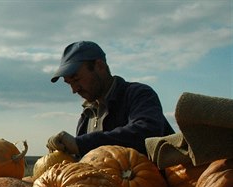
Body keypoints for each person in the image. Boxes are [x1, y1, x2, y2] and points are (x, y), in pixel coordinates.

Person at [46, 41, 175, 157]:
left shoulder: (138, 94)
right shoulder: (86, 116)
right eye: (69, 83)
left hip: (147, 181)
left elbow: (147, 134)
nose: (74, 89)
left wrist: (81, 144)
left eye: (76, 79)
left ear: (99, 66)